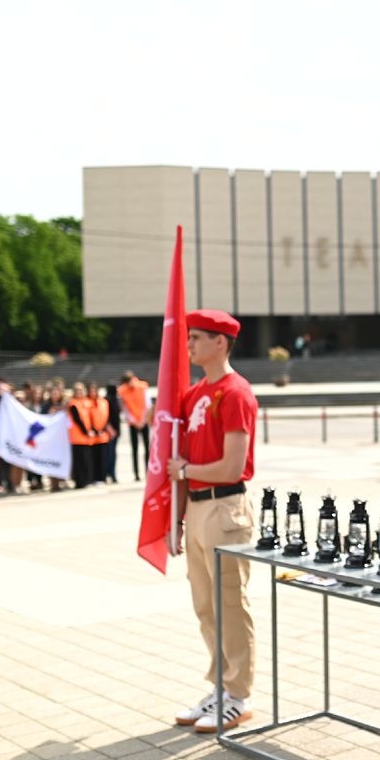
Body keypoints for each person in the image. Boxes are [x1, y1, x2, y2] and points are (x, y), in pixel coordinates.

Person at [167, 309, 258, 734]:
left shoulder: (236, 392)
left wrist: (185, 473)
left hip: (226, 507)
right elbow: (176, 459)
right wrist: (176, 518)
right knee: (205, 605)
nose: (188, 346)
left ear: (220, 342)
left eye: (197, 338)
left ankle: (238, 695)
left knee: (229, 603)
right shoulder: (192, 394)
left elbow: (233, 466)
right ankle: (221, 687)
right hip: (197, 507)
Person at [118, 371, 152, 481]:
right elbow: (125, 409)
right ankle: (136, 473)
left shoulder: (142, 387)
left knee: (147, 448)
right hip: (133, 422)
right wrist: (134, 421)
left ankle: (148, 471)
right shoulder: (123, 391)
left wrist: (143, 420)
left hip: (143, 420)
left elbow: (147, 404)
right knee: (135, 449)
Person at [68, 382, 95, 489]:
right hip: (78, 436)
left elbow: (90, 417)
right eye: (77, 390)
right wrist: (86, 431)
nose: (79, 392)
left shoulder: (87, 402)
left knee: (86, 460)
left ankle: (87, 480)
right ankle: (80, 482)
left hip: (86, 437)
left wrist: (91, 430)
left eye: (81, 390)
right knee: (79, 461)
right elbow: (77, 420)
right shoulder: (73, 403)